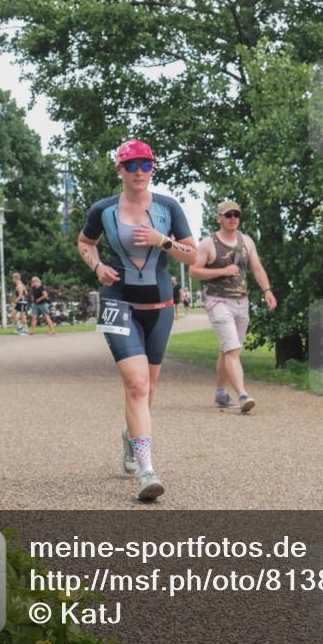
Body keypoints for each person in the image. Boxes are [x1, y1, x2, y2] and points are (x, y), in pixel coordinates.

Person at [76, 139, 197, 501]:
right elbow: (84, 242)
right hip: (118, 303)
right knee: (137, 386)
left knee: (149, 391)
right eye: (132, 166)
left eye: (146, 165)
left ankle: (131, 438)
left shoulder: (168, 208)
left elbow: (192, 256)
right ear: (119, 170)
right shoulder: (103, 209)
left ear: (153, 169)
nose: (140, 172)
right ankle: (147, 472)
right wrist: (96, 266)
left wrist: (163, 241)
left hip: (160, 308)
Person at [189, 200, 277, 412]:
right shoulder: (208, 243)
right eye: (228, 215)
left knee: (228, 349)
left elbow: (257, 268)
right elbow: (194, 271)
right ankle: (243, 395)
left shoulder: (246, 241)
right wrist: (222, 271)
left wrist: (267, 291)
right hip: (218, 301)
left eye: (236, 215)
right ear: (219, 217)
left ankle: (221, 392)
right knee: (233, 349)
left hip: (241, 302)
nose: (233, 219)